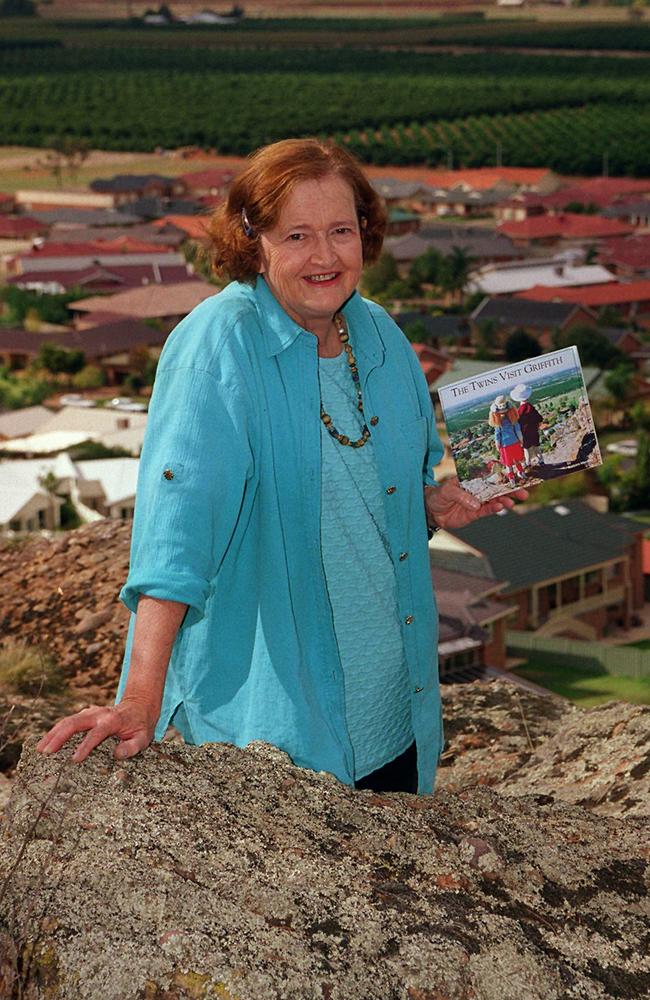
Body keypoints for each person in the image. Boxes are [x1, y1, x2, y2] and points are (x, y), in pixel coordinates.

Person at [37, 139, 526, 795]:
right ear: (253, 239)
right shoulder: (220, 344)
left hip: (397, 715)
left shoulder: (379, 336)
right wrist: (139, 698)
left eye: (341, 232)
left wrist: (431, 508)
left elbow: (375, 500)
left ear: (366, 236)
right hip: (279, 730)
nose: (323, 256)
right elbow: (176, 537)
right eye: (296, 234)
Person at [489, 394, 526, 489]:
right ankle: (521, 473)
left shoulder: (498, 423)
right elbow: (518, 431)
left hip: (505, 446)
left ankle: (512, 479)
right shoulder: (513, 420)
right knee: (517, 460)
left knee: (508, 464)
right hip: (515, 442)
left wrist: (497, 445)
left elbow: (497, 436)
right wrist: (521, 440)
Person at [510, 382, 545, 471]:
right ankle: (541, 462)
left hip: (525, 434)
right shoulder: (531, 407)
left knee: (527, 449)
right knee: (537, 447)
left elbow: (517, 423)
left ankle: (528, 465)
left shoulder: (519, 411)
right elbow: (539, 418)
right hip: (534, 431)